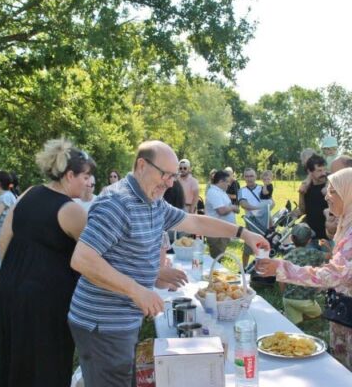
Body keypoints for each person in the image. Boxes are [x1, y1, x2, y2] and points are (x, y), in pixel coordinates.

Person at [68, 140, 269, 387]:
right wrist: (136, 290)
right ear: (142, 165)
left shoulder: (153, 201)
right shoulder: (117, 202)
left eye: (174, 176)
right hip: (102, 323)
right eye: (166, 175)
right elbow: (82, 259)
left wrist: (243, 233)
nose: (171, 183)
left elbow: (195, 222)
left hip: (122, 320)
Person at [0, 138, 95, 387]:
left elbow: (3, 240)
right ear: (69, 175)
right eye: (85, 177)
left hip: (10, 287)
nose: (87, 183)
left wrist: (16, 274)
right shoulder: (72, 211)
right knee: (48, 363)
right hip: (46, 298)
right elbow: (95, 257)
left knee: (15, 357)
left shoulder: (28, 192)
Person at [256, 168, 352, 370]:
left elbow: (331, 276)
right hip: (342, 313)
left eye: (333, 191)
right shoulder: (346, 224)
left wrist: (281, 268)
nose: (327, 195)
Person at [281, 223, 329, 325]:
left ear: (291, 238)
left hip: (288, 299)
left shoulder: (286, 258)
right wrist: (327, 245)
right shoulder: (314, 253)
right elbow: (332, 257)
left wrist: (284, 294)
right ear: (309, 240)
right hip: (305, 300)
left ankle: (291, 317)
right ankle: (298, 315)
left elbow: (281, 280)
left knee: (296, 324)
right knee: (320, 315)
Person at [238, 168, 267, 268]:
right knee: (247, 248)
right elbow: (243, 204)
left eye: (251, 176)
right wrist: (258, 209)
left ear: (255, 177)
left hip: (264, 222)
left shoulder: (263, 188)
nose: (249, 179)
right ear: (244, 177)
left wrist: (262, 210)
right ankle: (244, 268)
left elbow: (271, 203)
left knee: (262, 247)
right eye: (247, 176)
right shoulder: (242, 191)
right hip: (251, 222)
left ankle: (261, 269)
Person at [205, 170, 239, 258]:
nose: (229, 184)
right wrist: (233, 207)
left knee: (218, 258)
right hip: (216, 233)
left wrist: (233, 208)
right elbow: (221, 211)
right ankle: (213, 272)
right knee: (216, 259)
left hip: (222, 232)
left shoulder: (221, 192)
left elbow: (226, 207)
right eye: (227, 182)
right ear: (221, 181)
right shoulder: (213, 192)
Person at [298, 154, 328, 248]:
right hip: (312, 237)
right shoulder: (307, 187)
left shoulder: (330, 185)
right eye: (319, 170)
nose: (323, 173)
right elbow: (302, 210)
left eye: (324, 169)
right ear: (310, 172)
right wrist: (301, 194)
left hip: (329, 237)